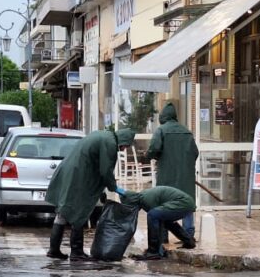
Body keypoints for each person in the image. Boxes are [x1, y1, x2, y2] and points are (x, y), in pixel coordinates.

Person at [46, 128, 136, 261]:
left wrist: (103, 190)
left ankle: (54, 250)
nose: (123, 150)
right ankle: (76, 252)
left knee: (63, 212)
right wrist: (114, 188)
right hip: (78, 176)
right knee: (79, 212)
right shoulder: (110, 143)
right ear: (123, 140)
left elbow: (97, 164)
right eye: (125, 146)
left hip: (70, 171)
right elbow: (105, 171)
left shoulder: (103, 136)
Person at [146, 102, 199, 239]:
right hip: (185, 176)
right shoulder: (186, 131)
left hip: (166, 174)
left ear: (163, 117)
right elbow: (195, 152)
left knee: (164, 203)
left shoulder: (161, 130)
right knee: (186, 201)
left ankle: (164, 236)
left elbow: (153, 149)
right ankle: (189, 234)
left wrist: (150, 156)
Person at [121, 186, 196, 260]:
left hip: (182, 203)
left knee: (152, 215)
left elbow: (157, 224)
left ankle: (153, 252)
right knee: (166, 221)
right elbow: (160, 221)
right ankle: (189, 242)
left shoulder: (146, 200)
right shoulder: (142, 197)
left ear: (133, 202)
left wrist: (156, 249)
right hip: (185, 203)